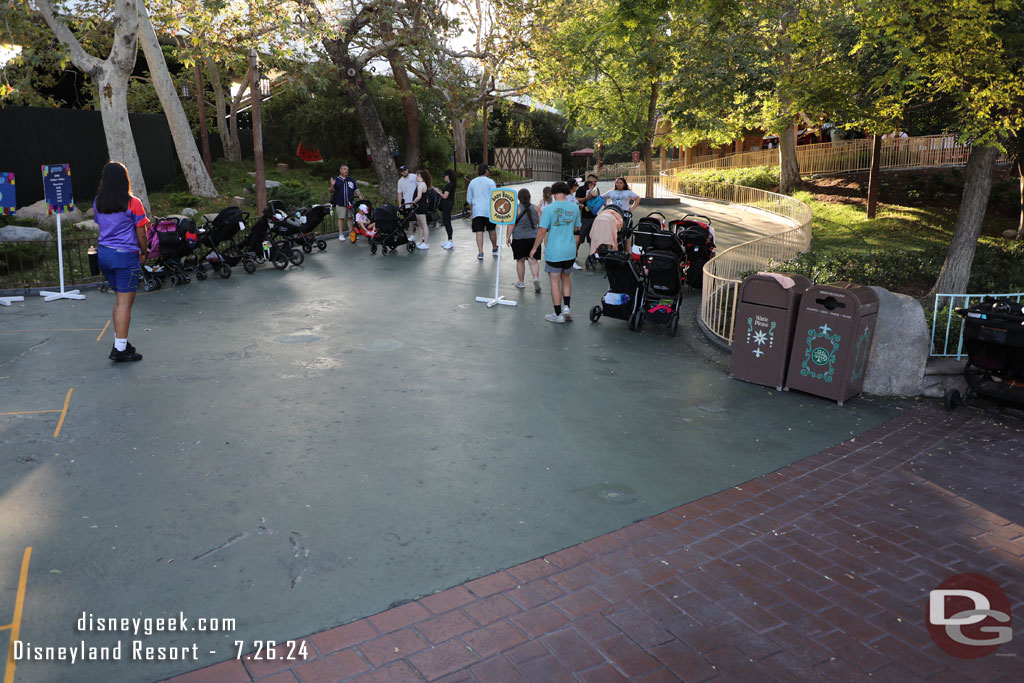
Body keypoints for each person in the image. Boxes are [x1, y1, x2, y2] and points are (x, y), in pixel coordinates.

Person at [94, 161, 149, 362]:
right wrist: (144, 251)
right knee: (125, 304)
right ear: (124, 179)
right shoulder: (133, 203)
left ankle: (121, 343)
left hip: (105, 254)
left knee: (120, 301)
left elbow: (102, 225)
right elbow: (141, 233)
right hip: (125, 256)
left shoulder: (98, 201)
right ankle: (119, 350)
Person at [531, 180, 580, 323]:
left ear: (553, 193)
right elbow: (577, 228)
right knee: (566, 278)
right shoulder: (575, 207)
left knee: (554, 281)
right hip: (570, 250)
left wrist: (534, 248)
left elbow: (542, 230)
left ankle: (557, 314)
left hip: (554, 250)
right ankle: (567, 308)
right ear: (566, 192)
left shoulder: (549, 209)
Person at [508, 188, 542, 292]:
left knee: (520, 261)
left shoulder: (515, 209)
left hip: (519, 238)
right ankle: (535, 278)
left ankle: (521, 282)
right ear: (529, 197)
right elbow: (541, 225)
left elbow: (511, 224)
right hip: (533, 238)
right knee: (533, 261)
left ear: (518, 198)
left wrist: (507, 236)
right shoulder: (536, 208)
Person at [465, 163, 497, 260]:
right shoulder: (491, 182)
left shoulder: (472, 182)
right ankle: (494, 248)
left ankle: (480, 252)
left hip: (477, 210)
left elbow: (469, 199)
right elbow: (494, 197)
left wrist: (471, 210)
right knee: (491, 230)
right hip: (489, 211)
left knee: (479, 231)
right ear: (486, 171)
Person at [574, 173, 601, 267]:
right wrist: (587, 198)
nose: (594, 183)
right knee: (579, 238)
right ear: (588, 180)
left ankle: (593, 256)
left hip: (593, 216)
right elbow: (576, 200)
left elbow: (597, 200)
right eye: (593, 181)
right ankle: (573, 256)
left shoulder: (596, 189)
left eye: (596, 182)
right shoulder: (581, 189)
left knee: (593, 239)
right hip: (583, 217)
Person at [329, 164, 362, 241]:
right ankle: (340, 234)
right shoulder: (336, 179)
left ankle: (351, 234)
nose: (346, 170)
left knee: (350, 218)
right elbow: (331, 191)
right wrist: (332, 185)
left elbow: (356, 189)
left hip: (350, 203)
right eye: (344, 169)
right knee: (341, 218)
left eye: (347, 169)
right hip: (340, 203)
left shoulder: (351, 180)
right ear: (340, 170)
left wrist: (360, 196)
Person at [396, 165, 419, 242]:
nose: (404, 172)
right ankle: (412, 235)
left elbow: (420, 186)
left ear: (407, 169)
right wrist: (400, 204)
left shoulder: (414, 176)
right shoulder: (400, 181)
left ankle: (422, 235)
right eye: (402, 171)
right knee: (410, 220)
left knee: (420, 219)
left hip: (416, 202)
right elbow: (399, 193)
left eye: (405, 170)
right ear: (400, 172)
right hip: (407, 203)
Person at [412, 169, 432, 250]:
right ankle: (420, 241)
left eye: (417, 175)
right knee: (420, 225)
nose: (416, 176)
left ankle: (426, 243)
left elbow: (419, 196)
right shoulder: (421, 184)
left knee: (424, 225)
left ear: (420, 176)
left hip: (421, 206)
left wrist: (413, 202)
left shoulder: (421, 184)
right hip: (419, 207)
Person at [438, 169, 456, 249]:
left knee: (447, 222)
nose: (444, 177)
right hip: (447, 205)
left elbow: (445, 196)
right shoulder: (450, 184)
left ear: (448, 176)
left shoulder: (449, 185)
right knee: (446, 222)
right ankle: (449, 240)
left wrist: (438, 191)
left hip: (447, 205)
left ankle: (450, 240)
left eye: (445, 176)